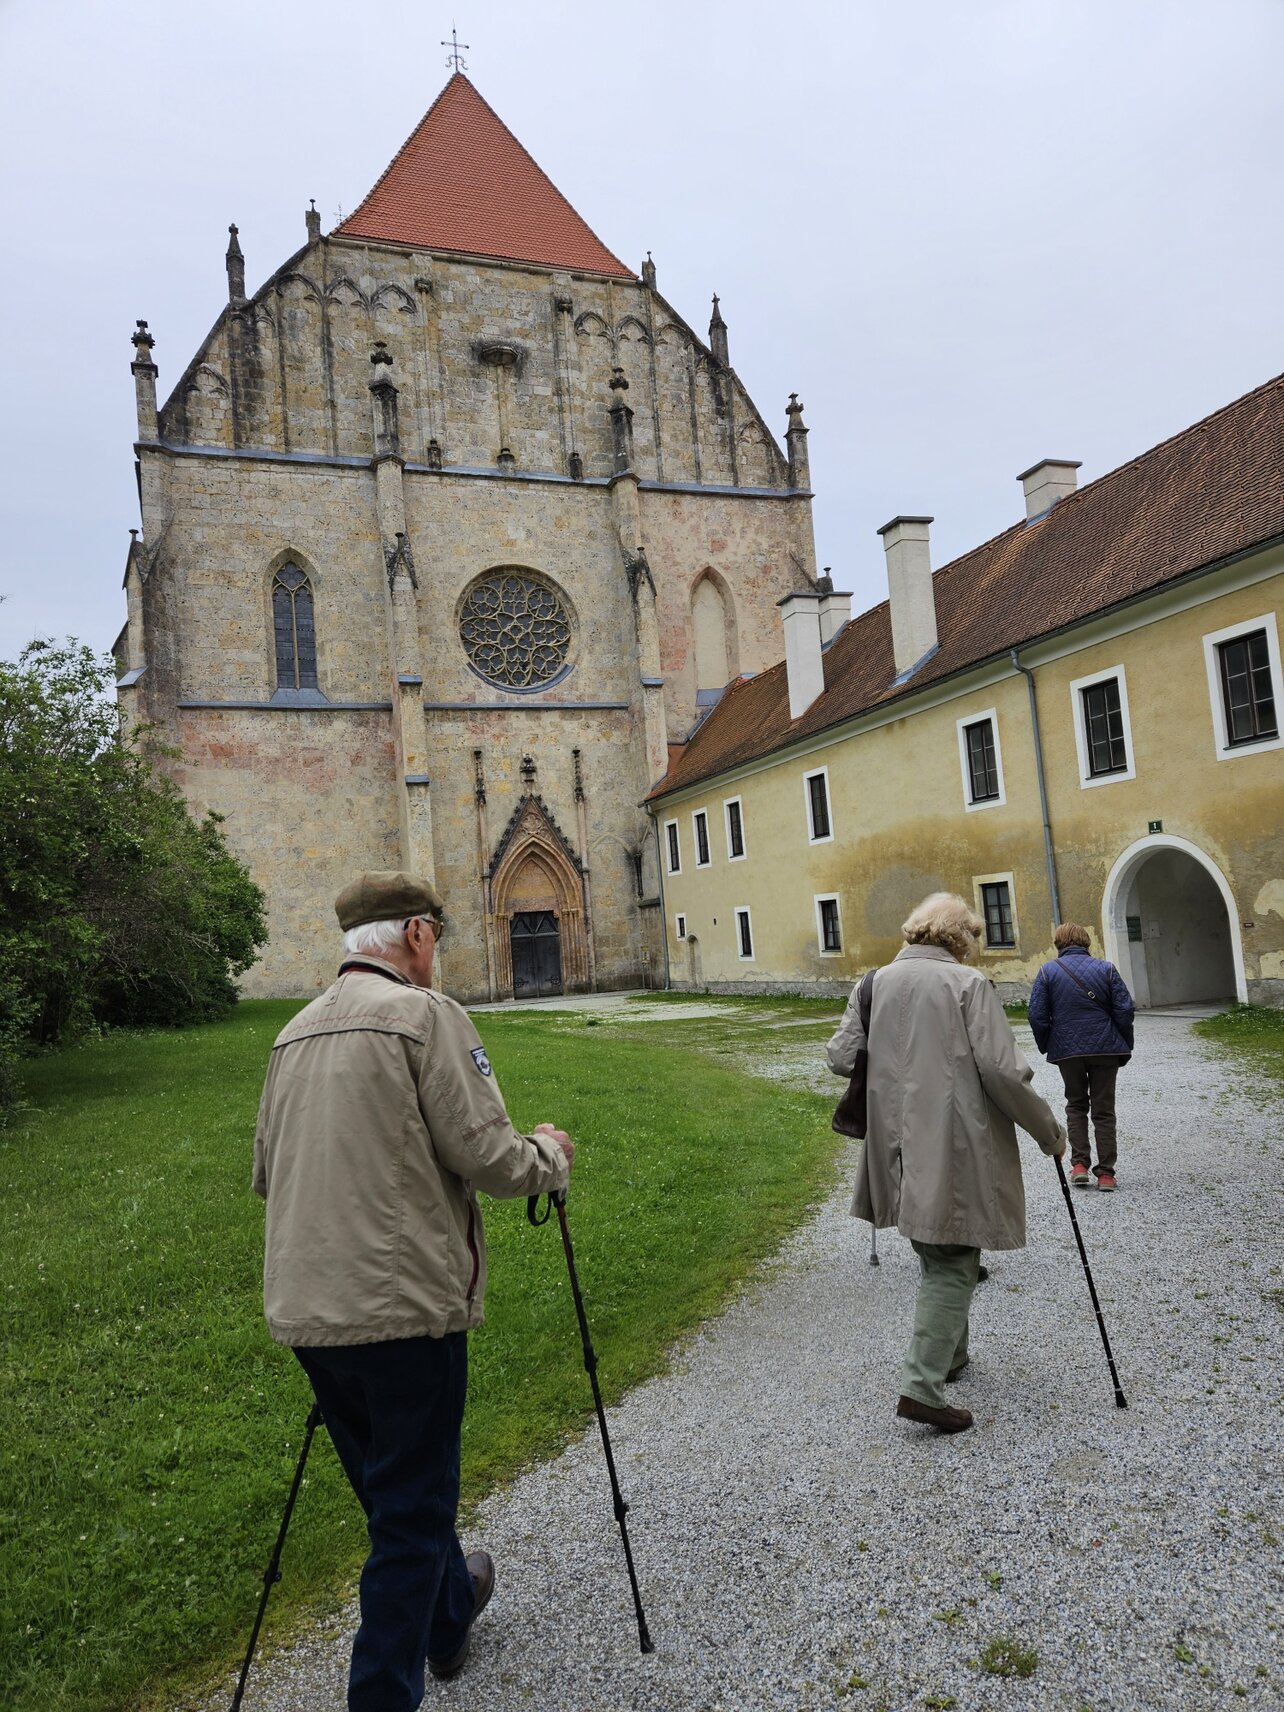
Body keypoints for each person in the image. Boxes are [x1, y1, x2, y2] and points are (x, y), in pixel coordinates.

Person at [253, 871, 573, 1710]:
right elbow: (493, 1157)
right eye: (438, 936)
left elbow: (265, 1175)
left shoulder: (291, 1032)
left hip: (307, 1312)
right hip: (400, 1313)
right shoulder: (426, 1017)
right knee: (407, 1516)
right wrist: (551, 1156)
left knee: (399, 1498)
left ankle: (449, 1615)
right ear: (419, 936)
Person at [826, 893, 1065, 1434]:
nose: (975, 949)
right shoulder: (967, 986)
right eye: (974, 939)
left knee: (938, 1248)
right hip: (951, 1142)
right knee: (955, 1255)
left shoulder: (873, 983)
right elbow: (1004, 1074)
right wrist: (1050, 1133)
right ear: (960, 939)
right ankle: (921, 1388)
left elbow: (840, 1057)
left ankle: (951, 1357)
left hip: (895, 1143)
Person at [1028, 922, 1135, 1193]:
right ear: (1086, 942)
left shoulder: (1047, 972)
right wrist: (1122, 1042)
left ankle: (1079, 1165)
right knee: (1104, 1110)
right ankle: (1107, 1174)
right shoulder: (1107, 969)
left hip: (1068, 1051)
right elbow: (1124, 1009)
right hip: (1105, 1048)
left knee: (1075, 1105)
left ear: (1059, 944)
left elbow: (1037, 1015)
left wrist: (1048, 1044)